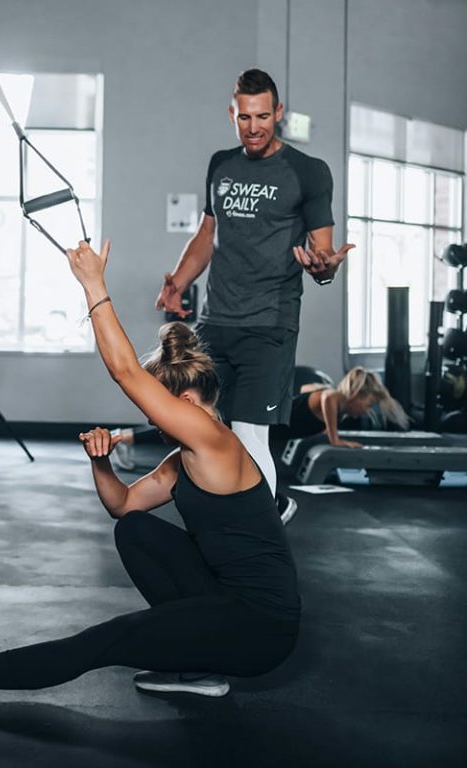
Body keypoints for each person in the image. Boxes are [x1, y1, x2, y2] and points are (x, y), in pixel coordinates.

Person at [0, 240, 300, 699]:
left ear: (186, 404)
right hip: (229, 603)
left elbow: (126, 372)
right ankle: (198, 666)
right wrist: (100, 463)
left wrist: (93, 283)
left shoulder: (214, 440)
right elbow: (124, 505)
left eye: (159, 414)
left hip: (260, 630)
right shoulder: (186, 461)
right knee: (135, 530)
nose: (153, 425)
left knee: (107, 640)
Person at [154, 68, 355, 526]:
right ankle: (232, 518)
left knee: (248, 431)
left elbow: (323, 250)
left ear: (278, 113)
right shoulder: (220, 164)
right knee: (198, 423)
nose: (254, 127)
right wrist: (180, 281)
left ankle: (264, 526)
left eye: (263, 116)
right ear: (232, 114)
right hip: (216, 320)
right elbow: (208, 234)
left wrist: (324, 268)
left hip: (270, 322)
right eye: (244, 118)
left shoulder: (308, 172)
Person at [275, 366, 410, 446]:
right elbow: (328, 397)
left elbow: (304, 388)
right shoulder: (333, 396)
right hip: (267, 425)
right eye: (369, 404)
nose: (367, 411)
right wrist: (335, 439)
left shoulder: (334, 410)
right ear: (356, 395)